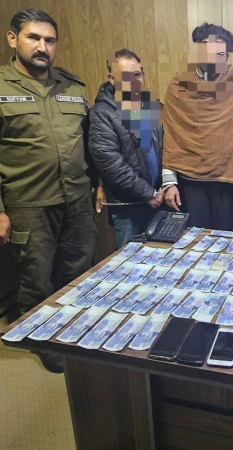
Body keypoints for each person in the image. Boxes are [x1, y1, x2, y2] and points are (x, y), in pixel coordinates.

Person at [0, 10, 97, 373]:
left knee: (77, 270)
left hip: (77, 197)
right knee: (36, 276)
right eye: (34, 38)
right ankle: (41, 338)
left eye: (50, 40)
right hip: (29, 202)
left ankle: (70, 331)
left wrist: (100, 184)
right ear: (13, 39)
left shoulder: (72, 86)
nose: (42, 47)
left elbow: (89, 141)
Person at [161, 23, 233, 231]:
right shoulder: (179, 85)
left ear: (226, 56)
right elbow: (171, 135)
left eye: (219, 53)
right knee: (194, 238)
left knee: (226, 239)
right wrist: (169, 183)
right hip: (190, 180)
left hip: (228, 180)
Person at [88, 49, 163, 249]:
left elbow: (160, 150)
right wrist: (148, 193)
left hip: (157, 200)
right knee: (131, 262)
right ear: (112, 78)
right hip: (129, 208)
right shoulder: (102, 113)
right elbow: (112, 165)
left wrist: (164, 187)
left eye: (137, 74)